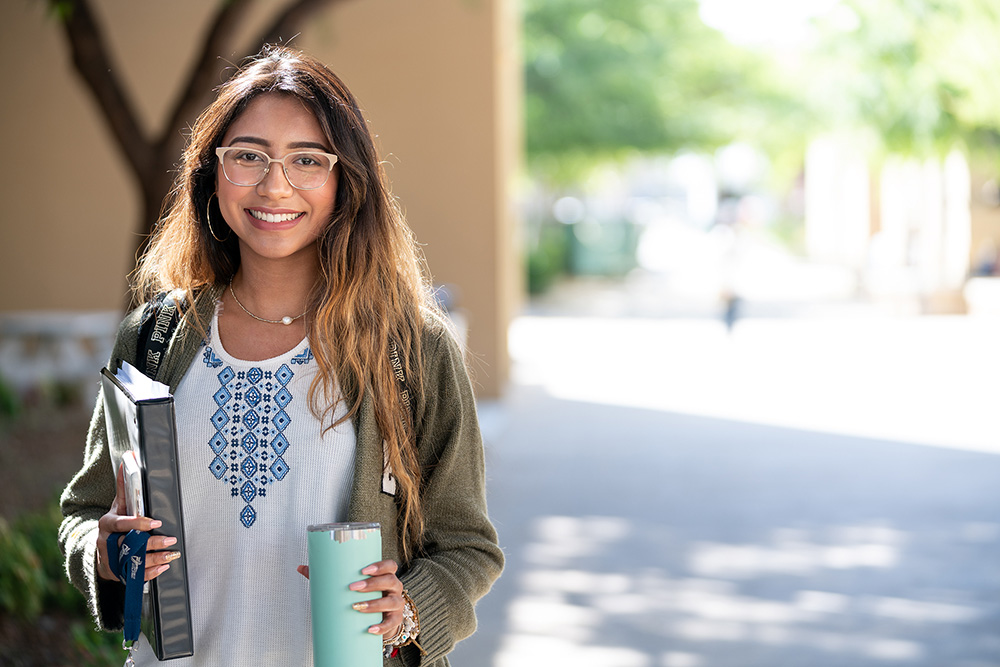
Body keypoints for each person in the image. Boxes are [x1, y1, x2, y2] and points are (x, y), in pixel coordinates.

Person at [58, 45, 503, 666]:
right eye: (248, 156)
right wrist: (104, 553)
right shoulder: (155, 336)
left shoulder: (410, 347)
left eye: (306, 160)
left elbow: (468, 545)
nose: (274, 185)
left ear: (346, 180)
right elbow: (86, 510)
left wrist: (408, 611)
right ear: (212, 173)